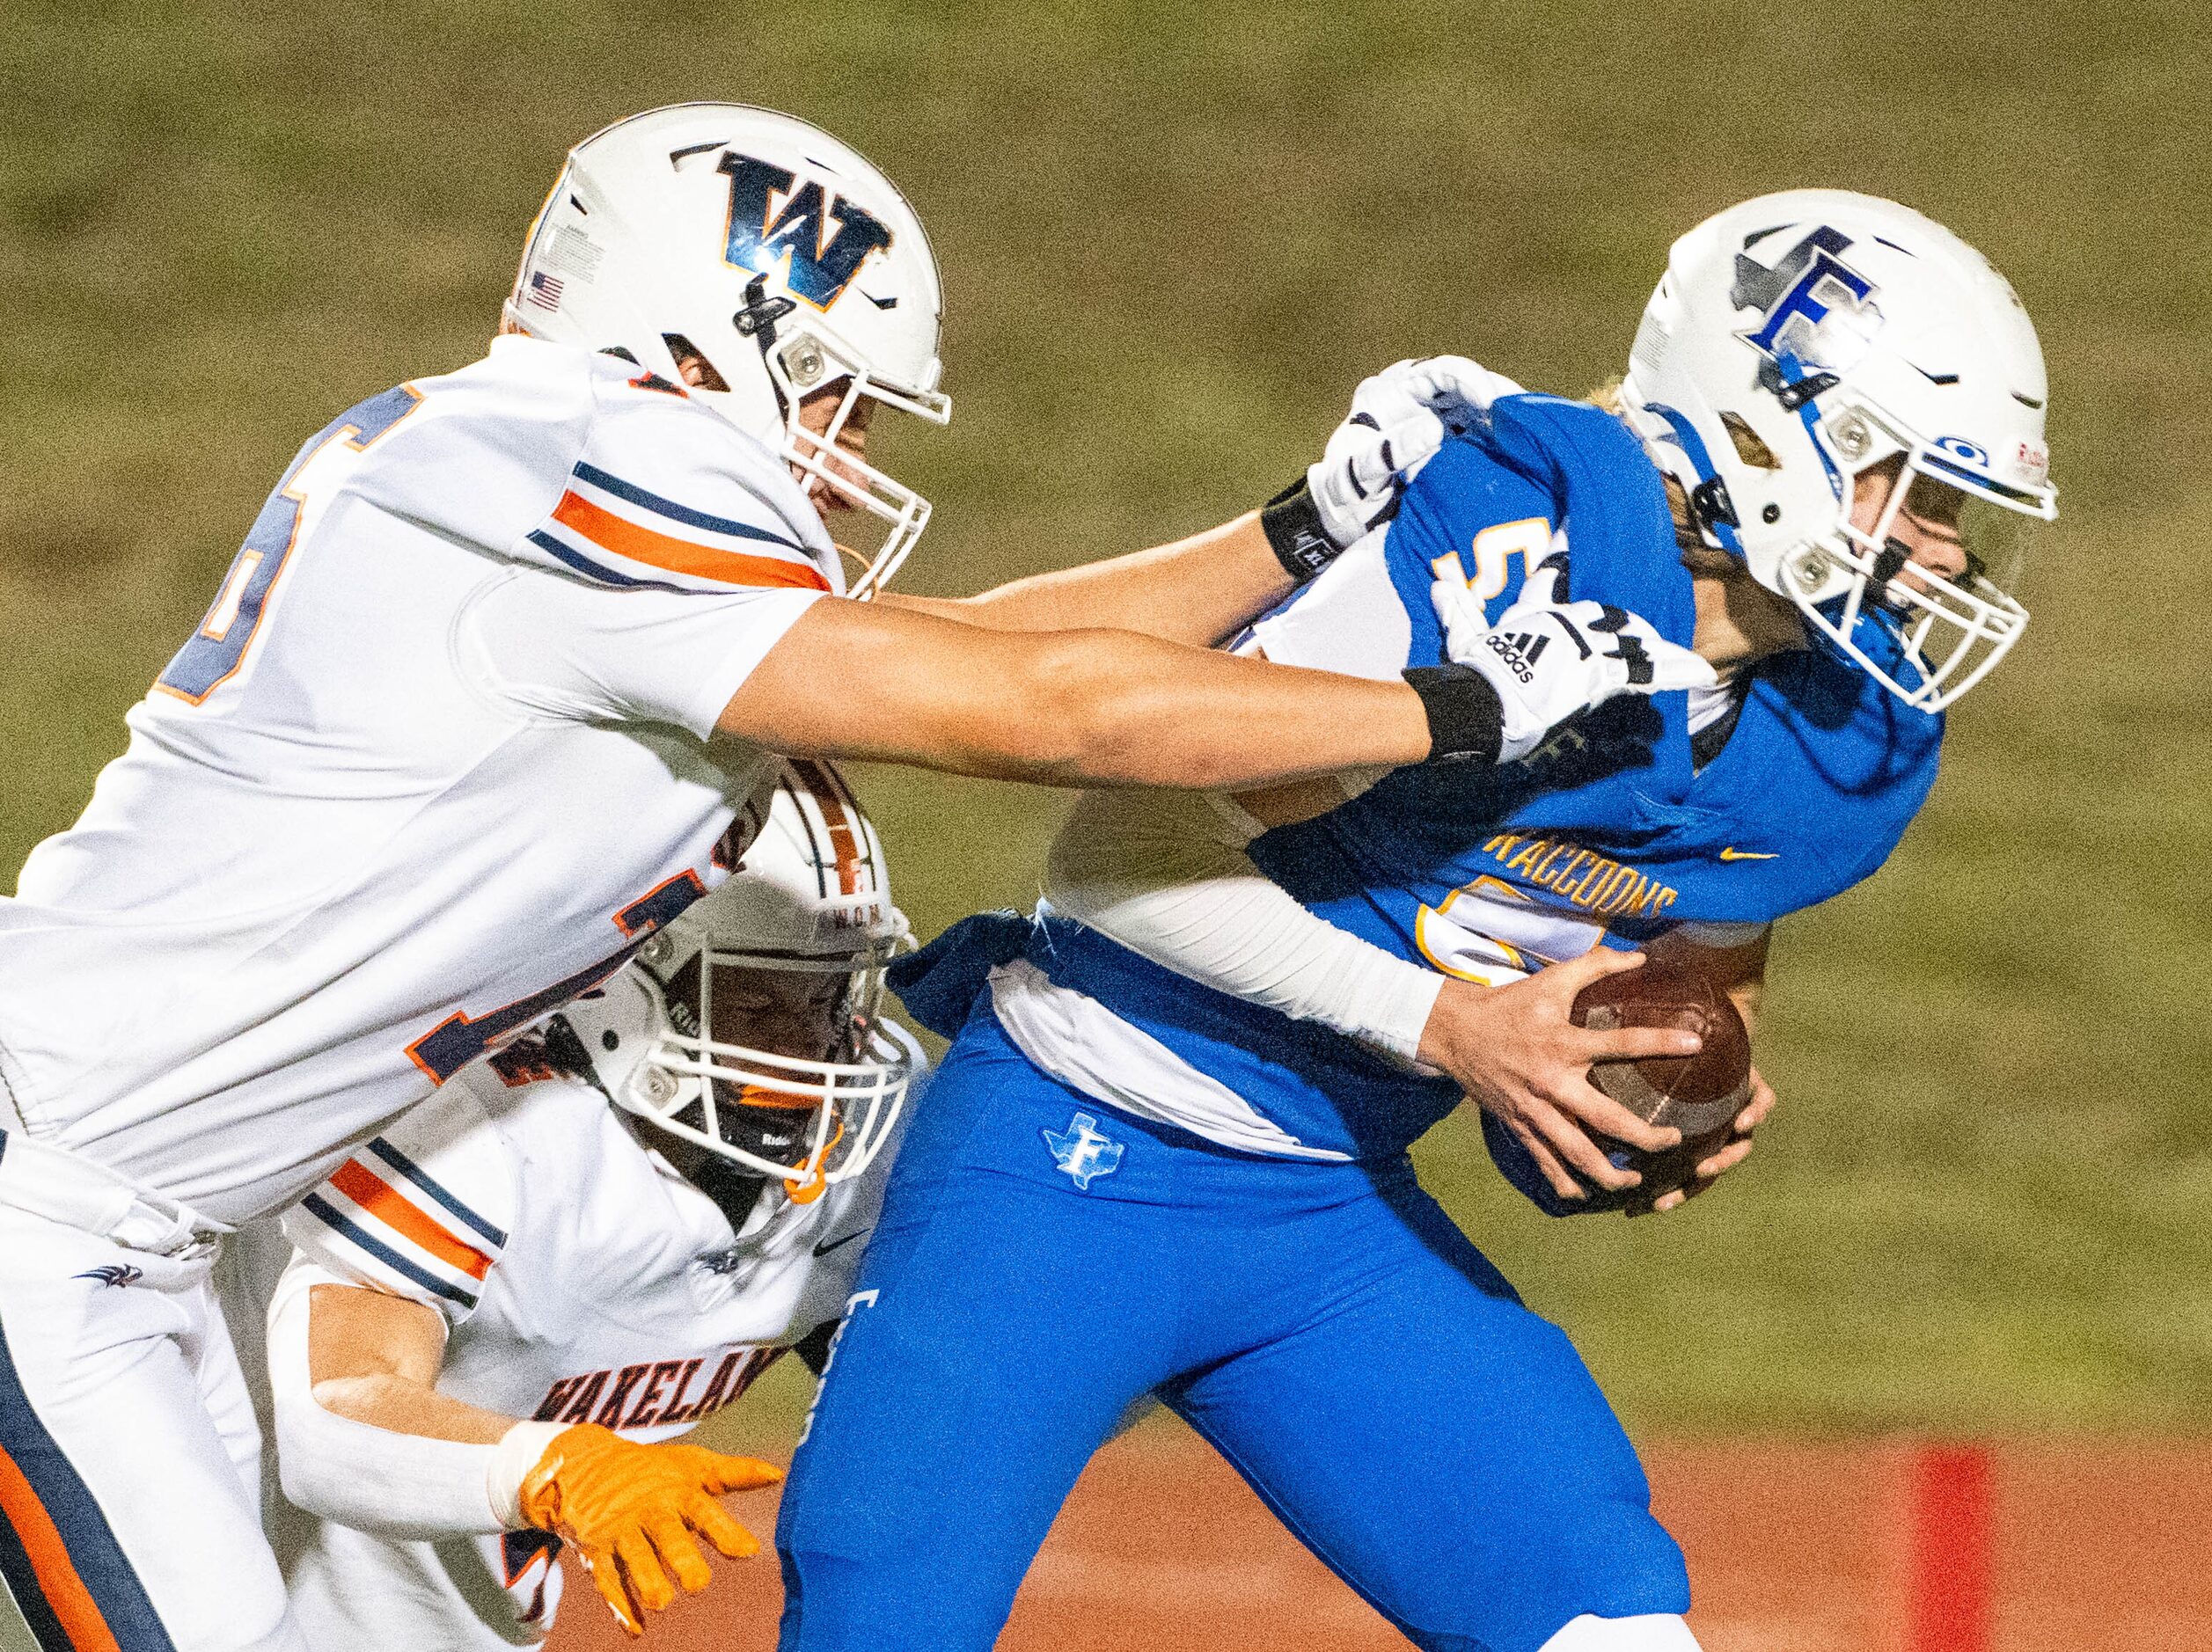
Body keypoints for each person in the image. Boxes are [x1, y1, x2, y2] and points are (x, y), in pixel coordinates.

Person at [0, 102, 1703, 1652]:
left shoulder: (520, 469)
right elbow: (1045, 711)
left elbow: (971, 644)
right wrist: (1452, 703)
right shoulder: (562, 456)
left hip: (100, 1194)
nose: (848, 448)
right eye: (839, 393)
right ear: (725, 327)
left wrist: (1293, 529)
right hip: (27, 1197)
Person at [773, 189, 2058, 1652]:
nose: (1945, 556)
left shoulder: (1840, 737)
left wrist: (1654, 1087)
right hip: (1064, 1154)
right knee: (882, 1613)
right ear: (1768, 426)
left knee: (1609, 1622)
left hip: (1324, 1210)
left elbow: (1697, 942)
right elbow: (1117, 866)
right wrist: (1453, 1028)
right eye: (1920, 492)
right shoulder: (1509, 535)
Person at [245, 759, 916, 1647]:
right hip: (194, 1568)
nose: (821, 1053)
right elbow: (331, 1420)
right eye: (762, 1005)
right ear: (615, 982)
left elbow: (960, 1402)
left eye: (836, 999)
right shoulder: (485, 1128)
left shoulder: (861, 1140)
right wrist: (555, 1465)